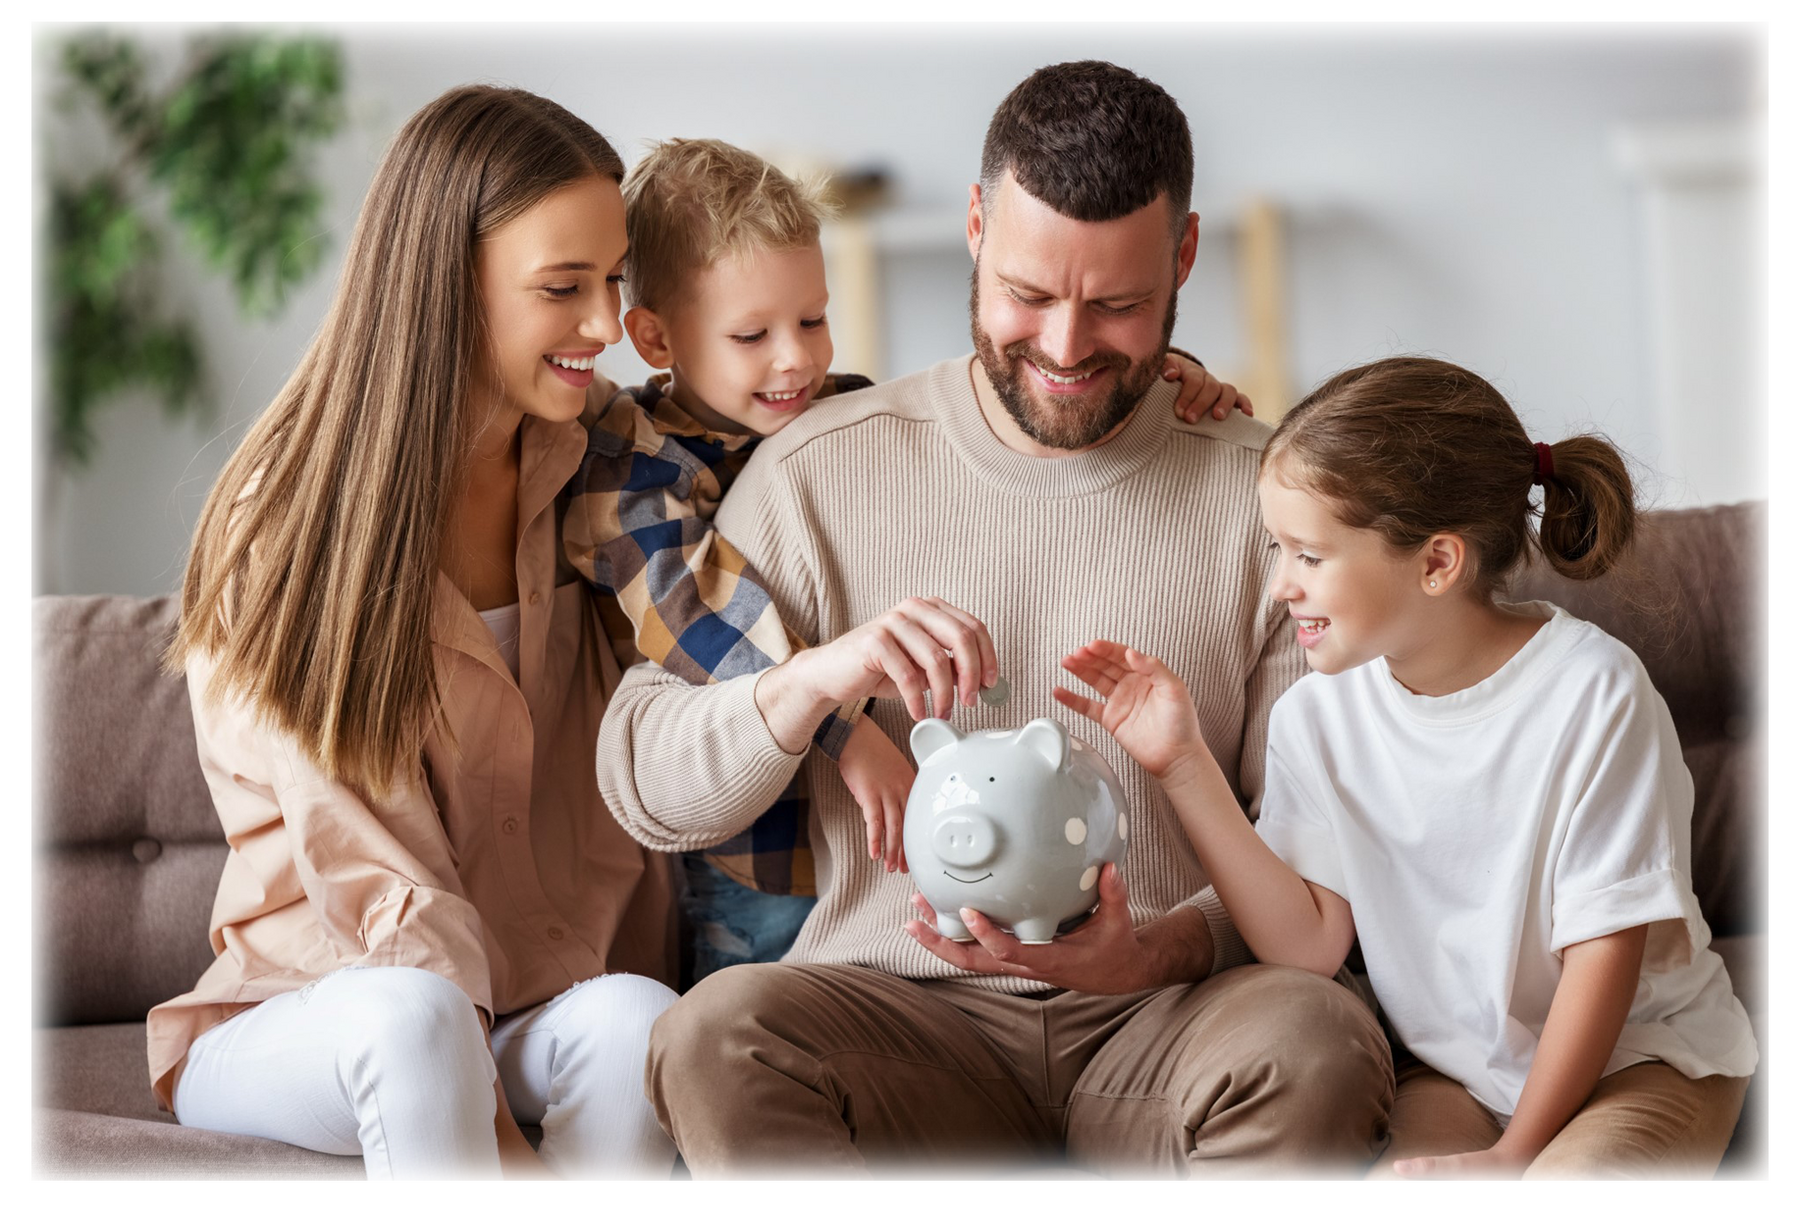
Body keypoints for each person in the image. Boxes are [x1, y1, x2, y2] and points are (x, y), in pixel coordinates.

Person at [597, 61, 1393, 1182]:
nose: (1066, 348)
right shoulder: (813, 469)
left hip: (1172, 1016)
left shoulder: (1265, 497)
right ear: (975, 228)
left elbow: (1319, 851)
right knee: (713, 1036)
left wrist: (1156, 947)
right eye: (1029, 294)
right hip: (898, 1017)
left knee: (1317, 1041)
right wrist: (814, 681)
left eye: (1116, 305)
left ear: (1185, 258)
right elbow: (646, 784)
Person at [153, 85, 682, 1183]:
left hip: (531, 996)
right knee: (413, 1017)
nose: (604, 325)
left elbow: (771, 431)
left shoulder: (601, 461)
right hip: (310, 1008)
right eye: (562, 288)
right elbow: (371, 874)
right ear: (451, 281)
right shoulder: (290, 519)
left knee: (638, 1020)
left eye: (613, 280)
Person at [1056, 356, 1757, 1183]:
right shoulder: (1319, 718)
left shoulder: (1592, 693)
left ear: (1437, 564)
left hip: (1640, 1058)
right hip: (1462, 1072)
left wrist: (1512, 1156)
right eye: (1275, 550)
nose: (1281, 586)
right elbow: (1309, 944)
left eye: (1309, 556)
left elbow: (1605, 959)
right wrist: (1182, 765)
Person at [565, 137, 1240, 980]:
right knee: (753, 1002)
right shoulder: (633, 476)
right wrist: (849, 734)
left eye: (812, 320)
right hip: (758, 853)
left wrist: (1162, 375)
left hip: (863, 851)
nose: (797, 359)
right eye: (752, 335)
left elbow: (1005, 387)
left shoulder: (833, 416)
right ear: (655, 337)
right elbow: (704, 629)